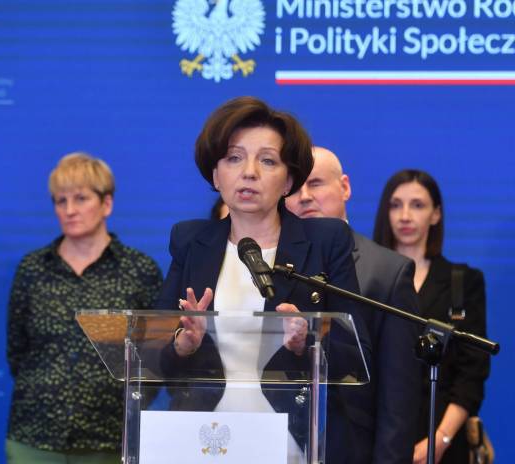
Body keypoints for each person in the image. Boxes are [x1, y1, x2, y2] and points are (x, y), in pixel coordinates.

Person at [155, 96, 373, 463]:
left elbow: (356, 355)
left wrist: (307, 342)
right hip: (203, 440)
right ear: (215, 175)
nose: (249, 172)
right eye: (234, 158)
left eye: (267, 160)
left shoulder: (325, 241)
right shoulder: (191, 242)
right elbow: (152, 360)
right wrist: (183, 344)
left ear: (288, 180)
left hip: (291, 441)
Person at [6, 153, 163, 463]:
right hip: (35, 435)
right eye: (60, 201)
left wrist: (130, 406)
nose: (69, 210)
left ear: (107, 204)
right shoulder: (33, 268)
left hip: (111, 437)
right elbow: (17, 351)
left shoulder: (139, 270)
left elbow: (155, 355)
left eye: (80, 198)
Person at [285, 146, 422, 463]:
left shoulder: (387, 271)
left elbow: (398, 398)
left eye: (316, 183)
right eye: (294, 188)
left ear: (344, 187)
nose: (304, 197)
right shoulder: (271, 264)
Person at [372, 170, 490, 464]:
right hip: (378, 431)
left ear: (435, 214)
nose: (405, 216)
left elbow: (472, 373)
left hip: (442, 436)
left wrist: (441, 438)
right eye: (396, 205)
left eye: (417, 205)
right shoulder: (368, 279)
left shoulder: (463, 282)